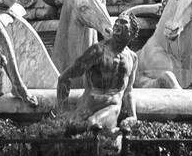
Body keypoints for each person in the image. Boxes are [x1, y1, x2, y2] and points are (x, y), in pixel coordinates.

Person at [55, 11, 139, 139]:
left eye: (123, 22)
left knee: (93, 124)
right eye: (117, 21)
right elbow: (65, 77)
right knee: (71, 127)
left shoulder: (132, 58)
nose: (117, 24)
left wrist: (133, 116)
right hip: (87, 105)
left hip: (111, 107)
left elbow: (129, 91)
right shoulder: (97, 51)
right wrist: (62, 109)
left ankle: (112, 136)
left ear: (132, 33)